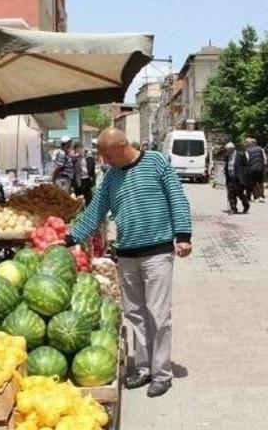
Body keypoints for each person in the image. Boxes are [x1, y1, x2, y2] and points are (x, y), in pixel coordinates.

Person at [63, 128, 192, 398]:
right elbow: (95, 212)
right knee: (135, 314)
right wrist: (70, 238)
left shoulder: (156, 162)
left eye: (107, 154)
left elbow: (177, 198)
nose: (104, 161)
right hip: (127, 255)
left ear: (121, 146)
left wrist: (183, 235)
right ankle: (143, 367)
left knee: (158, 314)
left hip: (157, 253)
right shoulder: (110, 178)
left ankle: (162, 373)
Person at [223, 142, 250, 214]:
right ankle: (233, 209)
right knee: (231, 194)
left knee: (239, 193)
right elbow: (226, 165)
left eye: (228, 150)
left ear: (233, 149)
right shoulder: (227, 156)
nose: (227, 151)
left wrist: (244, 174)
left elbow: (246, 166)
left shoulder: (240, 154)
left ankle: (246, 205)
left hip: (239, 178)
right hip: (230, 177)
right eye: (227, 150)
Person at [244, 138, 267, 202]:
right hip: (260, 168)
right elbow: (264, 159)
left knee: (253, 183)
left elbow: (247, 160)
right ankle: (261, 196)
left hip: (252, 168)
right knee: (260, 182)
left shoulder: (248, 151)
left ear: (250, 144)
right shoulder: (261, 149)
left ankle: (256, 197)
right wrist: (264, 166)